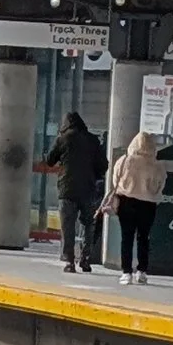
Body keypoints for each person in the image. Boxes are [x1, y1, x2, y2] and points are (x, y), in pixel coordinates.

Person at [42, 107, 108, 274]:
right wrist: (94, 175)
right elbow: (103, 165)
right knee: (88, 225)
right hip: (88, 189)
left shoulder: (63, 139)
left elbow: (50, 160)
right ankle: (86, 259)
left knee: (68, 227)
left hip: (67, 190)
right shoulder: (93, 140)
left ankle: (69, 262)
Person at [106, 123, 168, 284]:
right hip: (148, 205)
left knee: (126, 237)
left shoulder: (125, 160)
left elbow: (115, 180)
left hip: (126, 202)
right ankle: (142, 271)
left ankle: (126, 272)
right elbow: (161, 185)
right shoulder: (158, 166)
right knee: (144, 237)